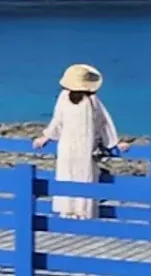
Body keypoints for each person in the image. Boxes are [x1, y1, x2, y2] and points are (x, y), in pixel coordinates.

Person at [32, 63, 121, 218]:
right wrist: (113, 142)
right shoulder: (92, 100)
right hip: (83, 146)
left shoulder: (65, 97)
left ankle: (68, 211)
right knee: (83, 176)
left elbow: (57, 121)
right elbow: (104, 123)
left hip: (67, 145)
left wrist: (46, 136)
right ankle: (82, 211)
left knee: (68, 174)